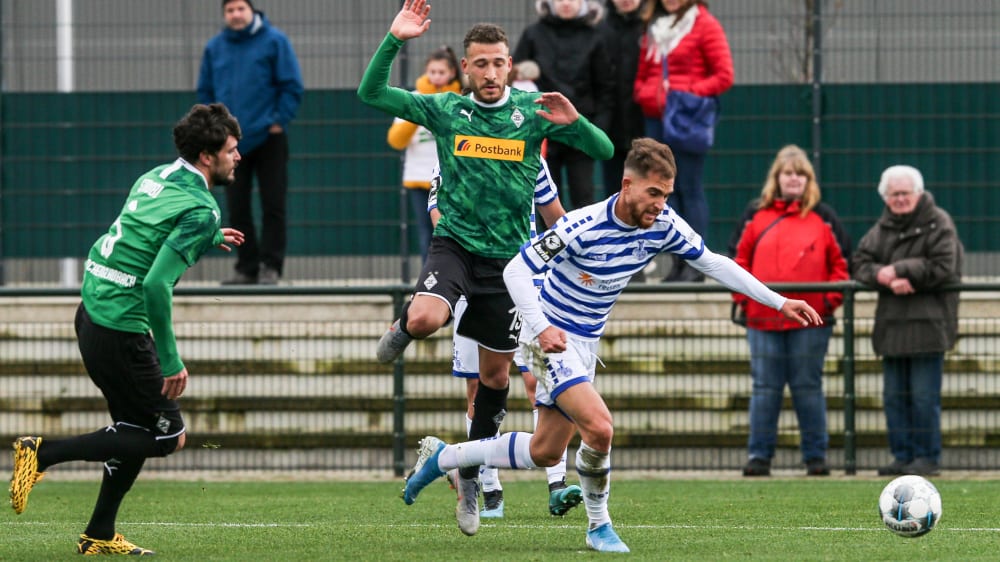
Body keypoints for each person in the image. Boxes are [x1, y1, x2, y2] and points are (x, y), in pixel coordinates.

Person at [400, 137, 822, 551]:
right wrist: (541, 328)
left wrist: (779, 300)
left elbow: (712, 262)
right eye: (653, 193)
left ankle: (445, 457)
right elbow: (515, 271)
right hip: (547, 339)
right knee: (600, 428)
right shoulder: (580, 226)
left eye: (667, 194)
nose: (660, 204)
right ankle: (598, 526)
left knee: (545, 451)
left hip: (583, 345)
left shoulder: (663, 224)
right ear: (627, 185)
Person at [358, 0, 613, 535]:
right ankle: (402, 326)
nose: (492, 72)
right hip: (455, 247)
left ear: (510, 66)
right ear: (467, 69)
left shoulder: (530, 114)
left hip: (508, 266)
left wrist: (578, 123)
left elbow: (604, 148)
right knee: (427, 319)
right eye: (481, 64)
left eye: (500, 63)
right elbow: (371, 93)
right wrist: (395, 39)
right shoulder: (447, 111)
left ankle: (470, 475)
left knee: (496, 378)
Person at [8, 104, 244, 555]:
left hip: (91, 312)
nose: (239, 156)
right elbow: (157, 285)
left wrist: (207, 237)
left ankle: (98, 532)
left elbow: (143, 232)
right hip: (121, 330)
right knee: (167, 436)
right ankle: (42, 453)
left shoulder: (156, 176)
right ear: (207, 156)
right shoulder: (202, 208)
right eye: (232, 150)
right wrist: (171, 360)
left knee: (130, 428)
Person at [431, 159, 582, 519]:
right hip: (475, 283)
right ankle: (488, 487)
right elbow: (437, 211)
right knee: (480, 388)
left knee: (540, 383)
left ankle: (557, 483)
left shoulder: (534, 156)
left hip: (526, 286)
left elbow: (555, 216)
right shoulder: (453, 142)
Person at [729, 145, 851, 477]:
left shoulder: (823, 217)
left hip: (811, 324)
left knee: (807, 388)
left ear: (808, 179)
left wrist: (826, 304)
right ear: (777, 178)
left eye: (800, 173)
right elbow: (737, 263)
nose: (794, 178)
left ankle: (816, 457)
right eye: (788, 173)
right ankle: (759, 457)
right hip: (762, 321)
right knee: (764, 389)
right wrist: (746, 302)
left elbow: (841, 267)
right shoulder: (755, 215)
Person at [852, 165, 962, 477]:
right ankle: (902, 456)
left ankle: (927, 457)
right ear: (885, 197)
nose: (900, 199)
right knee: (894, 398)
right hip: (892, 328)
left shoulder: (939, 223)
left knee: (924, 398)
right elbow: (859, 262)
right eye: (894, 194)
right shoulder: (881, 228)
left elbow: (944, 267)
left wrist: (899, 270)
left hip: (929, 327)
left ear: (918, 193)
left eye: (905, 193)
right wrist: (882, 276)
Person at [198, 0, 303, 285]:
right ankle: (246, 268)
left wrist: (278, 121)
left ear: (251, 11)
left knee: (273, 204)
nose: (235, 15)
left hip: (269, 139)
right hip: (228, 144)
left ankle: (271, 267)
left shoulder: (275, 42)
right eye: (230, 10)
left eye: (240, 9)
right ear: (225, 15)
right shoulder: (215, 47)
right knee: (237, 206)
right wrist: (215, 131)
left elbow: (291, 85)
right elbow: (205, 90)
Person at [633, 0, 733, 282]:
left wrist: (686, 92)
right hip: (656, 119)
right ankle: (678, 263)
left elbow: (724, 75)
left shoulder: (705, 25)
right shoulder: (654, 26)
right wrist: (645, 93)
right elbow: (643, 73)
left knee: (689, 189)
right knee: (665, 193)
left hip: (686, 118)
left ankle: (696, 264)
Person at [513, 0, 615, 210]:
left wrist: (596, 130)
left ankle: (582, 243)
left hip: (580, 127)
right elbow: (517, 82)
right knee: (544, 199)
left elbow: (605, 87)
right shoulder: (533, 33)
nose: (566, 3)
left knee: (584, 198)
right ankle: (549, 243)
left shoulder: (595, 36)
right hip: (542, 130)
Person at [386, 46, 463, 262]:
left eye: (442, 72)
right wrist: (418, 114)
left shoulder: (459, 100)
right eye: (432, 72)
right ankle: (428, 284)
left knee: (454, 235)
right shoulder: (414, 98)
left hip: (454, 181)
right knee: (426, 235)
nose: (437, 77)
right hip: (421, 180)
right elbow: (396, 140)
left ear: (452, 73)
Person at [596, 0, 647, 195]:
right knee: (614, 190)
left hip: (645, 122)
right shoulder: (601, 30)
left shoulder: (652, 27)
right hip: (611, 126)